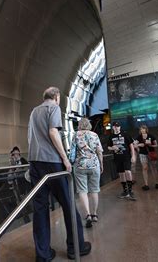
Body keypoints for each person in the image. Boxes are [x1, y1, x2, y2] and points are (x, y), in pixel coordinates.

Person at [28, 86, 91, 261]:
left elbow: (31, 137)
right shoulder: (54, 107)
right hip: (52, 164)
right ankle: (75, 247)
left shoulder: (34, 112)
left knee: (40, 209)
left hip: (35, 163)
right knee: (68, 204)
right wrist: (64, 158)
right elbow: (53, 131)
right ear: (56, 97)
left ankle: (43, 254)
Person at [71, 118, 103, 228]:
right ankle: (95, 214)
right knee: (94, 190)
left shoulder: (76, 134)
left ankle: (88, 215)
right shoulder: (95, 135)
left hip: (80, 165)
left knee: (82, 190)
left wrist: (70, 163)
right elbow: (99, 151)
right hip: (94, 165)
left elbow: (72, 152)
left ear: (79, 125)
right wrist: (101, 164)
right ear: (89, 125)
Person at [108, 121, 136, 200]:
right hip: (117, 157)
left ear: (120, 127)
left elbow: (131, 145)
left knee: (128, 171)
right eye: (115, 126)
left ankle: (130, 190)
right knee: (121, 174)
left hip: (126, 156)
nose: (116, 127)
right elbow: (108, 147)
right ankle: (125, 191)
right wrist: (112, 148)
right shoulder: (111, 136)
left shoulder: (125, 134)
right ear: (113, 127)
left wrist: (133, 155)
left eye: (117, 126)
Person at [134, 125, 158, 191]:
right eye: (141, 129)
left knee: (153, 167)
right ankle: (146, 184)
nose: (142, 130)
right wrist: (139, 145)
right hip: (143, 153)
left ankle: (156, 182)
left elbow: (156, 144)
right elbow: (134, 144)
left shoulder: (151, 136)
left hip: (151, 153)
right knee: (145, 168)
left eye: (144, 129)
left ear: (146, 129)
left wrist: (150, 145)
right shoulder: (139, 137)